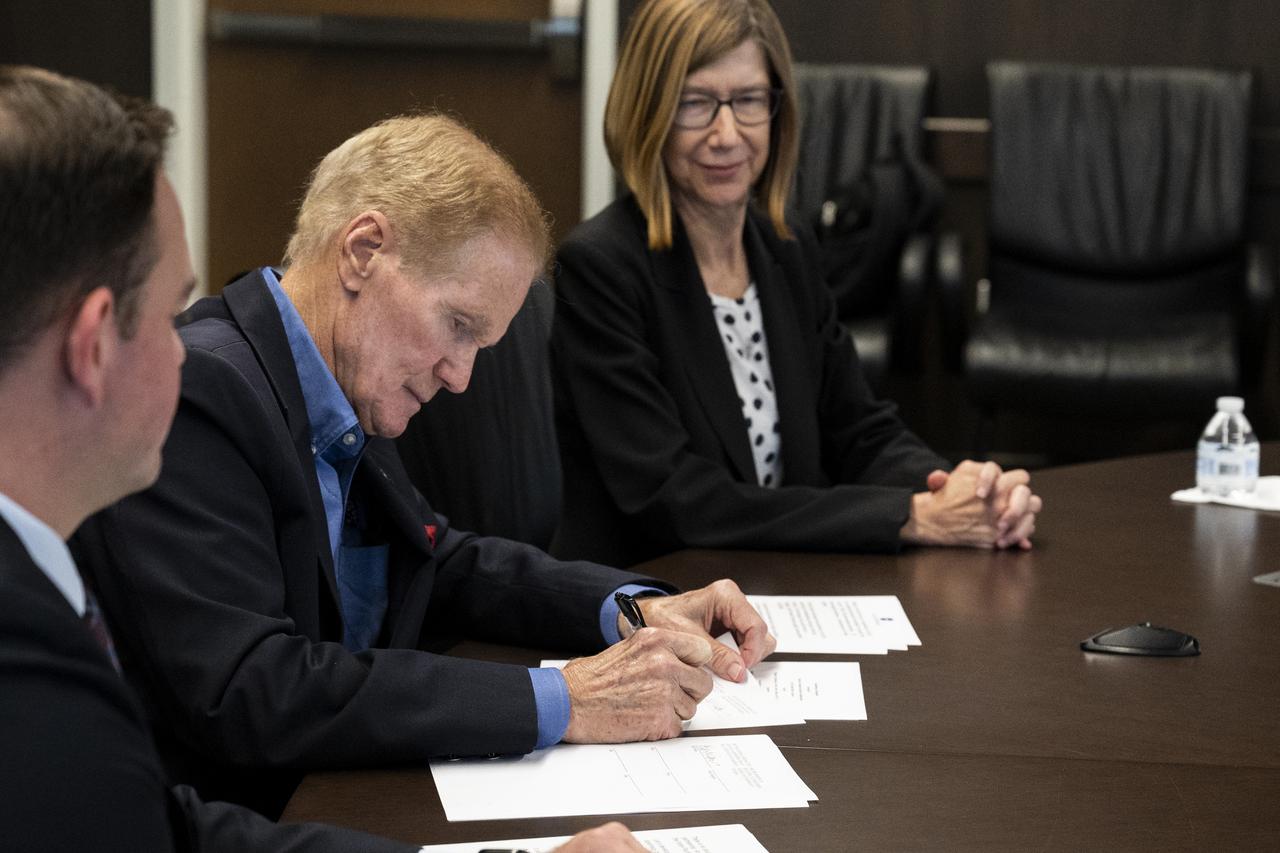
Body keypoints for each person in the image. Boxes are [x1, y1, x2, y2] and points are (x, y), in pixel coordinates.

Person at [69, 110, 775, 819]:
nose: (462, 376)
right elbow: (256, 687)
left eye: (481, 344)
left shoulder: (339, 376)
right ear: (363, 251)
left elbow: (436, 560)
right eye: (458, 326)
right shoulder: (206, 391)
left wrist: (633, 606)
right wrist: (567, 699)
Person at [549, 0, 1043, 568]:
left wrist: (965, 492)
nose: (727, 134)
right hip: (658, 593)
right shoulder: (600, 268)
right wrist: (907, 516)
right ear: (648, 112)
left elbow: (858, 428)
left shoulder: (784, 249)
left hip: (782, 579)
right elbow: (678, 500)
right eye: (695, 103)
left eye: (749, 101)